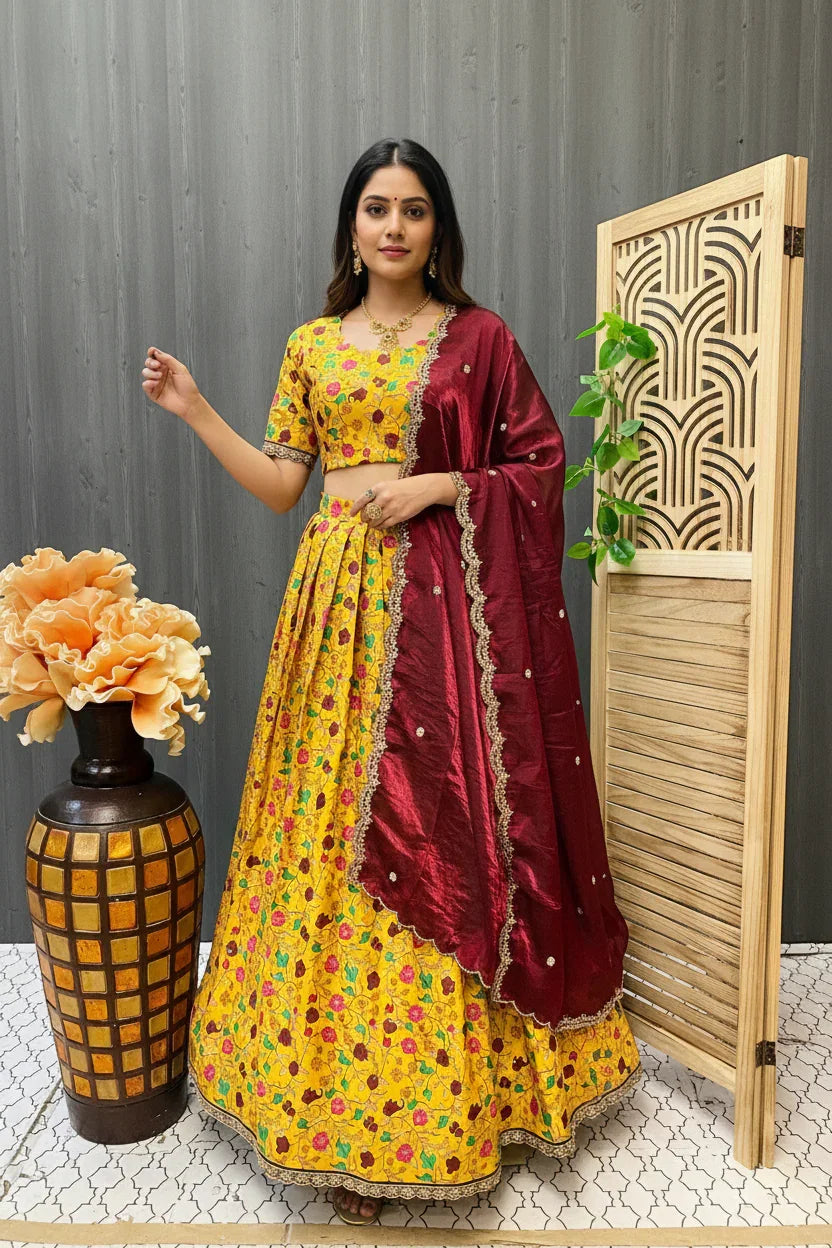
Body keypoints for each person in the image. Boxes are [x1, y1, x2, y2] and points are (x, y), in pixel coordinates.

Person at [141, 137, 644, 1227]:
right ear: (351, 226)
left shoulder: (481, 341)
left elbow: (539, 465)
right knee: (319, 833)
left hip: (443, 617)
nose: (395, 227)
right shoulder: (312, 345)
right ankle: (321, 1105)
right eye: (376, 208)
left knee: (445, 830)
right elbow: (284, 485)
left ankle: (456, 1102)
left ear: (437, 228)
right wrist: (195, 410)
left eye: (415, 210)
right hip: (333, 613)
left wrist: (436, 487)